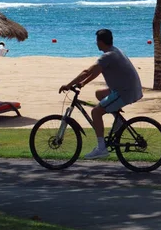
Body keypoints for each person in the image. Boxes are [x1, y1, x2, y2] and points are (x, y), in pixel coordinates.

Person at [59, 28, 143, 160]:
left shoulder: (107, 56)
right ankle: (119, 122)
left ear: (101, 42)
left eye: (97, 41)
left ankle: (101, 148)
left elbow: (87, 71)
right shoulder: (115, 50)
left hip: (125, 92)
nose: (96, 44)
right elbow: (97, 72)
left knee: (96, 112)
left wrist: (69, 85)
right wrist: (83, 84)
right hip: (128, 88)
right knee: (99, 94)